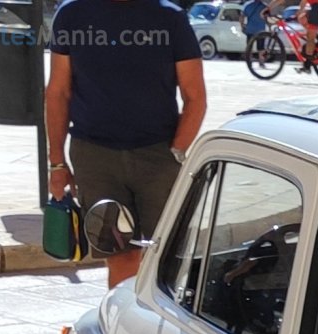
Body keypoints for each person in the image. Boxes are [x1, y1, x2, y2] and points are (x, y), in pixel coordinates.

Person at [45, 0, 207, 288]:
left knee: (164, 257)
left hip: (158, 157)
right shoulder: (72, 14)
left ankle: (157, 316)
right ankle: (121, 315)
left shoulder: (169, 17)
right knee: (119, 256)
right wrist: (57, 163)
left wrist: (176, 152)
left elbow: (195, 96)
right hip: (95, 158)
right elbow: (58, 92)